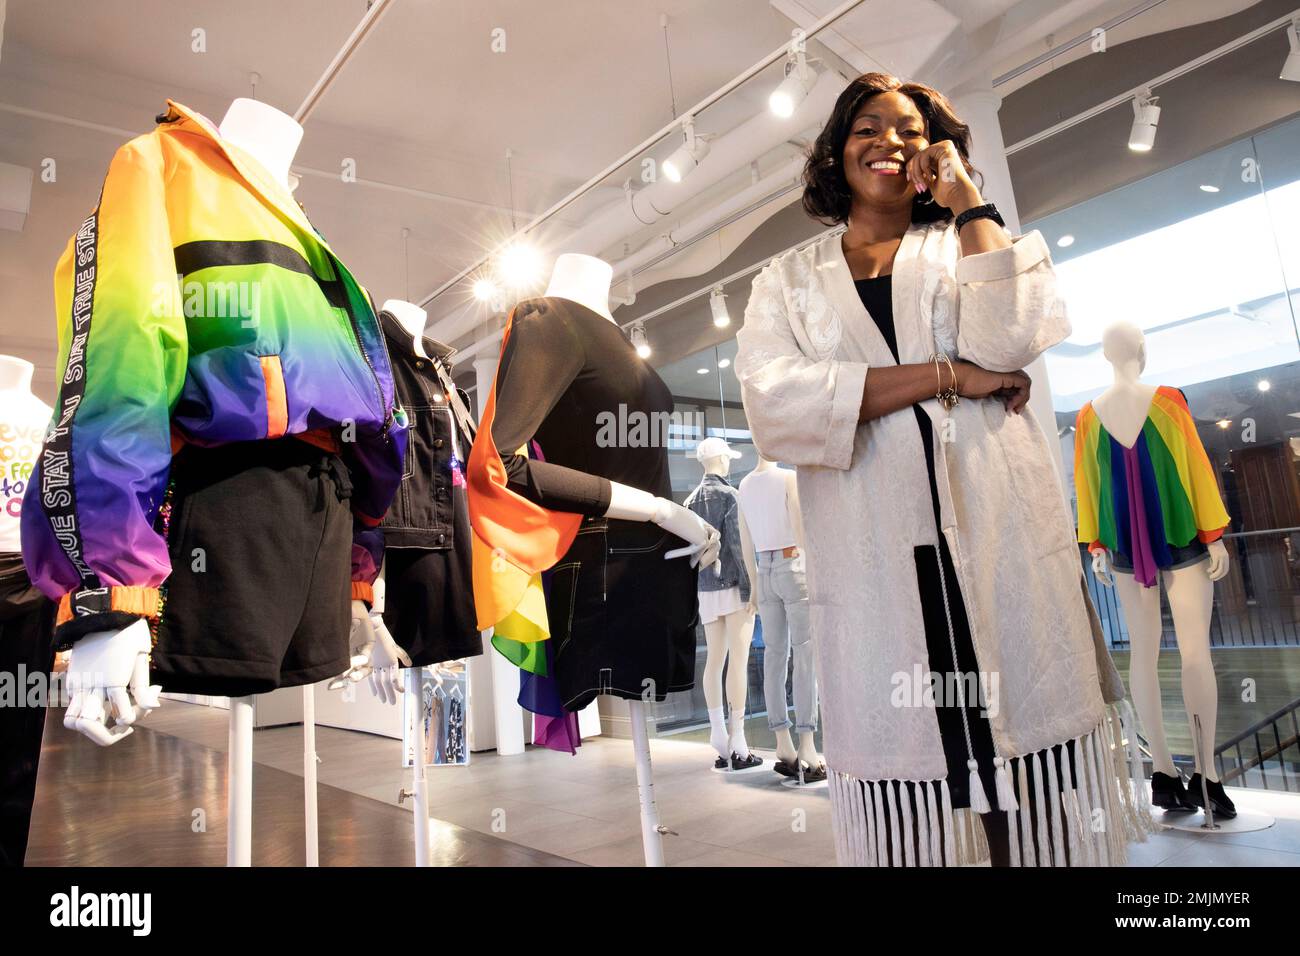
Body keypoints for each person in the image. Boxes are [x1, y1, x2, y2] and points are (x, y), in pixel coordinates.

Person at [736, 72, 1147, 867]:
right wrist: (948, 376)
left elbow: (1010, 337)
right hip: (878, 560)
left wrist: (967, 202)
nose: (888, 142)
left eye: (910, 130)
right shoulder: (783, 282)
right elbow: (776, 407)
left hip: (994, 542)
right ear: (836, 148)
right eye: (867, 126)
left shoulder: (965, 241)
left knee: (1025, 770)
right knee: (917, 777)